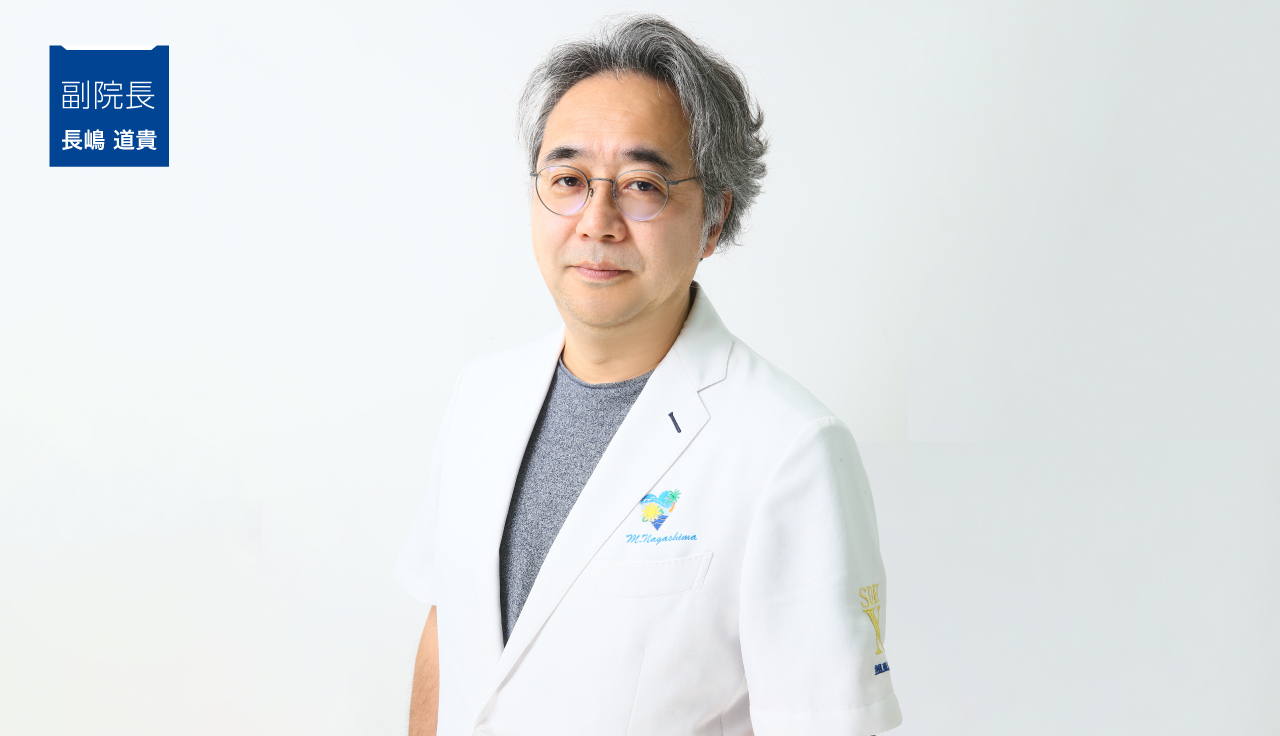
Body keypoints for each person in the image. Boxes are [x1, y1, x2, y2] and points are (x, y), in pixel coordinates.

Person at [395, 14, 901, 736]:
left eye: (641, 185)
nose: (596, 220)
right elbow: (449, 633)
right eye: (568, 180)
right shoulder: (481, 397)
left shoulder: (790, 451)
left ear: (714, 220)